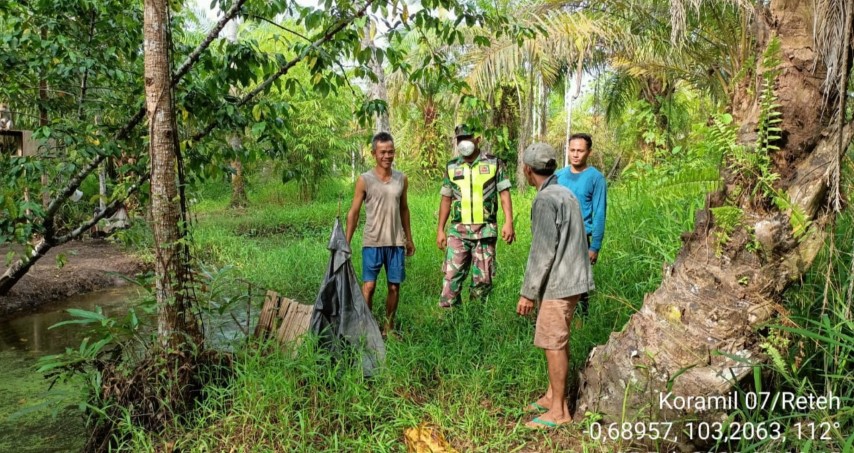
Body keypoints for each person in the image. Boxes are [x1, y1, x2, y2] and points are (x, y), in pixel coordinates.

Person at [516, 142, 594, 429]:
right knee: (557, 340)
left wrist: (527, 292)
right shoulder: (566, 193)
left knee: (552, 343)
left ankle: (559, 411)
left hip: (560, 282)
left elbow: (542, 250)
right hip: (572, 278)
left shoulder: (546, 199)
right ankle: (552, 396)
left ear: (527, 170)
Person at [436, 124, 515, 308]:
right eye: (459, 139)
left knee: (483, 281)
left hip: (485, 232)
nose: (463, 143)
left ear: (477, 139)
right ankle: (449, 322)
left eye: (467, 138)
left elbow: (504, 194)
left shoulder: (493, 163)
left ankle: (475, 321)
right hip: (458, 232)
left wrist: (508, 222)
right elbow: (446, 199)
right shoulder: (451, 167)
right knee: (450, 279)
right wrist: (440, 229)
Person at [346, 132, 415, 337]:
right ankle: (366, 328)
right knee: (369, 286)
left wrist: (408, 238)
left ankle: (388, 327)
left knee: (394, 287)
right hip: (372, 242)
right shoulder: (364, 180)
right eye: (383, 152)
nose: (387, 156)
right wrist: (346, 242)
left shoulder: (401, 179)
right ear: (373, 153)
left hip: (395, 243)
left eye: (391, 152)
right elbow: (354, 212)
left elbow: (404, 209)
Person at [555, 133, 606, 317]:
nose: (576, 154)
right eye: (572, 150)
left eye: (580, 151)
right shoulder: (558, 176)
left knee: (579, 285)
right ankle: (559, 318)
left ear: (588, 153)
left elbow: (599, 212)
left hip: (580, 238)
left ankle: (580, 323)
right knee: (556, 281)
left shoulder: (596, 178)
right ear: (568, 151)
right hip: (557, 236)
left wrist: (595, 246)